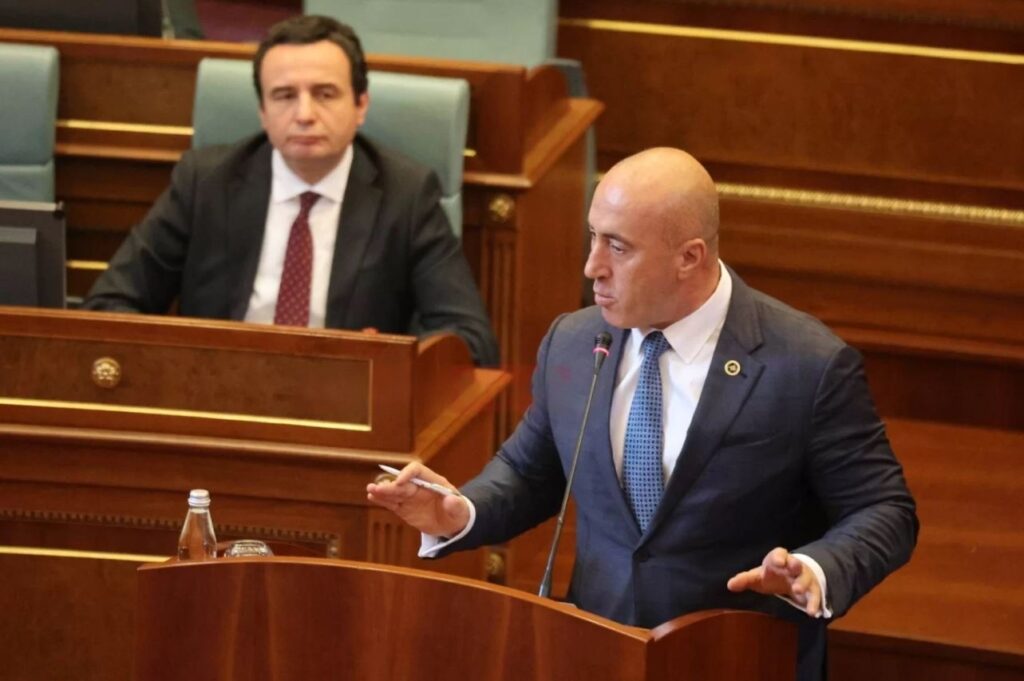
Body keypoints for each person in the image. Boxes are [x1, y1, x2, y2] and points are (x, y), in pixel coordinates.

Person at [367, 148, 918, 681]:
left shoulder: (806, 364)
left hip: (737, 659)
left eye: (618, 246)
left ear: (689, 257)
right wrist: (461, 513)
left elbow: (884, 509)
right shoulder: (574, 341)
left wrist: (815, 569)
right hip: (598, 652)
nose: (593, 267)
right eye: (593, 236)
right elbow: (530, 472)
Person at [83, 15, 499, 367]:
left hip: (346, 405)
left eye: (324, 94)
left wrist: (388, 360)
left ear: (361, 105)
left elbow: (471, 340)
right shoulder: (206, 182)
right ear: (263, 112)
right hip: (219, 395)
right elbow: (109, 306)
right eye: (284, 96)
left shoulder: (406, 195)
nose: (304, 114)